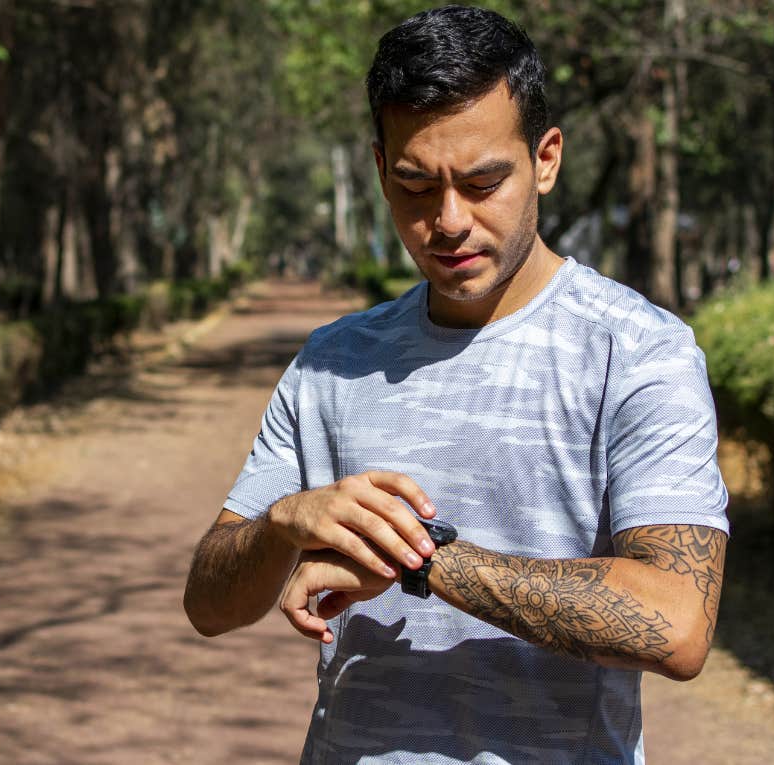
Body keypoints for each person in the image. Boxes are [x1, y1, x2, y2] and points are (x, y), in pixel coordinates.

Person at [182, 6, 730, 763]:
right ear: (380, 170)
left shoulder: (637, 352)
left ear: (546, 158)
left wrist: (420, 560)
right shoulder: (331, 360)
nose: (448, 221)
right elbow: (208, 605)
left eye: (482, 182)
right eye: (414, 185)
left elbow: (676, 622)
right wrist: (283, 523)